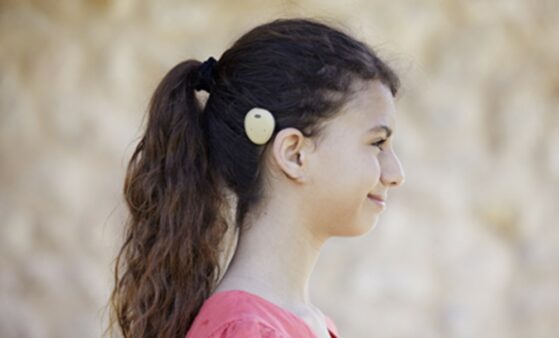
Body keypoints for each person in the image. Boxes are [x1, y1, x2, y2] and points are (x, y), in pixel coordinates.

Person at [108, 17, 405, 338]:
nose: (396, 174)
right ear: (294, 154)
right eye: (377, 143)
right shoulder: (247, 329)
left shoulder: (306, 324)